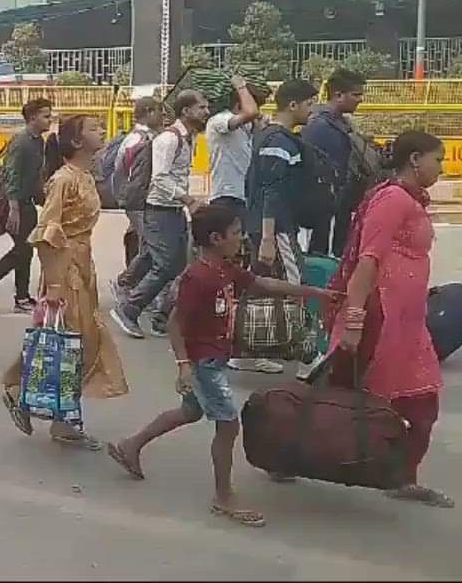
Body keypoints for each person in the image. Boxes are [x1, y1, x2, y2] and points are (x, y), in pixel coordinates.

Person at [107, 204, 336, 528]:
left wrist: (315, 293)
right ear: (216, 238)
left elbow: (264, 284)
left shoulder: (224, 269)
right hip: (205, 363)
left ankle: (131, 445)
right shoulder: (197, 277)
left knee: (190, 411)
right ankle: (223, 496)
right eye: (236, 233)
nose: (241, 238)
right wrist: (184, 366)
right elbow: (175, 324)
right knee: (227, 424)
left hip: (213, 358)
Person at [324, 131, 453, 508]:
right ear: (415, 159)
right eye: (438, 159)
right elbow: (367, 261)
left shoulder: (410, 199)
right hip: (381, 321)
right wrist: (353, 322)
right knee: (344, 400)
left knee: (421, 406)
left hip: (408, 325)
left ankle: (401, 479)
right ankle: (289, 451)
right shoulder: (392, 199)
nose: (441, 168)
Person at [0, 115, 129, 447]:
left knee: (75, 343)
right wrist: (55, 285)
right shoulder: (63, 180)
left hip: (82, 266)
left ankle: (56, 414)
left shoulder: (84, 176)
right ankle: (30, 396)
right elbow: (46, 233)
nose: (103, 130)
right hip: (65, 270)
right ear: (76, 141)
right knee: (71, 343)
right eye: (94, 128)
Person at [112, 90, 210, 339]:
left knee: (175, 265)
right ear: (186, 111)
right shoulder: (169, 139)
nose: (206, 112)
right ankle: (130, 308)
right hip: (160, 210)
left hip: (173, 209)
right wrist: (188, 199)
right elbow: (160, 178)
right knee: (167, 265)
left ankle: (161, 317)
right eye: (201, 108)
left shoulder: (189, 138)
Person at [241, 79, 321, 377]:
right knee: (296, 285)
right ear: (293, 105)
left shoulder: (269, 136)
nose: (313, 110)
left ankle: (246, 350)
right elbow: (270, 191)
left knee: (260, 287)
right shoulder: (279, 142)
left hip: (267, 225)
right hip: (277, 228)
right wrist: (268, 236)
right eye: (310, 103)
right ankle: (308, 357)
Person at [204, 75, 282, 375]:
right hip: (227, 200)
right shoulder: (219, 122)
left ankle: (235, 346)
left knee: (238, 277)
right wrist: (240, 84)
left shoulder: (245, 129)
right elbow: (250, 112)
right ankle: (233, 348)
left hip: (242, 201)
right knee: (232, 276)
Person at [0, 98, 54, 314]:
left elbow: (34, 175)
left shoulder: (38, 141)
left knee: (25, 250)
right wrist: (14, 207)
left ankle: (22, 297)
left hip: (27, 202)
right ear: (33, 118)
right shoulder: (21, 142)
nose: (50, 119)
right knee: (24, 248)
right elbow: (11, 174)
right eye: (46, 116)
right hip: (16, 204)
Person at [302, 68, 366, 257]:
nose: (360, 99)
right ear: (338, 95)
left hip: (339, 207)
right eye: (356, 95)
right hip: (324, 209)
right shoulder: (320, 126)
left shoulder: (341, 124)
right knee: (322, 258)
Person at [115, 96, 163, 267]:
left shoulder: (134, 138)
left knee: (141, 240)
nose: (162, 117)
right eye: (160, 112)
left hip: (134, 197)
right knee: (149, 246)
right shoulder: (141, 140)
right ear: (149, 112)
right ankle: (129, 279)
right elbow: (135, 174)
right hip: (139, 199)